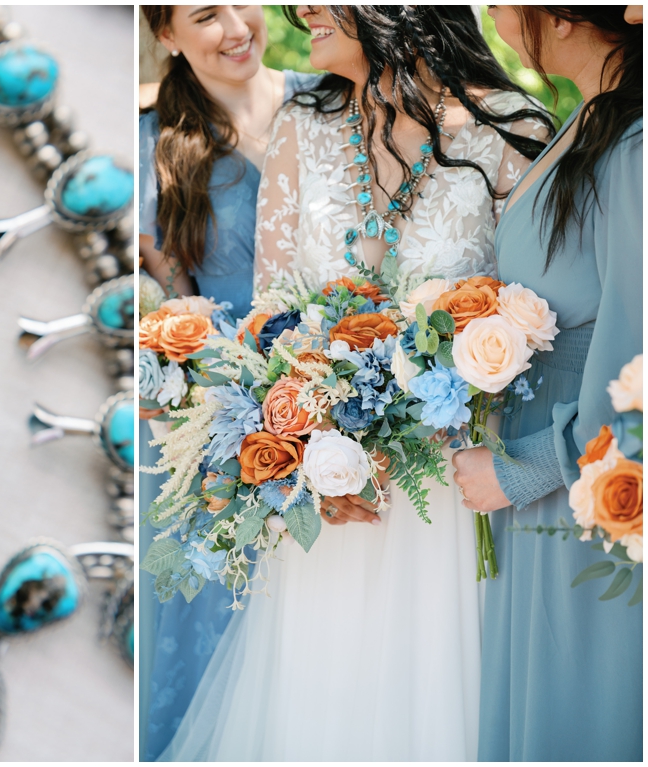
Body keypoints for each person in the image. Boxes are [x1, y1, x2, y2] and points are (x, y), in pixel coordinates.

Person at [159, 6, 554, 760]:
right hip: (330, 494)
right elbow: (269, 320)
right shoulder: (303, 123)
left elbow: (544, 316)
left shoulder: (512, 127)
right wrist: (300, 443)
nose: (299, 8)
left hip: (453, 489)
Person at [452, 6, 642, 761]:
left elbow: (640, 353)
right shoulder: (589, 118)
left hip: (582, 485)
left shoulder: (633, 146)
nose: (494, 15)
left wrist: (524, 467)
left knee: (581, 706)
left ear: (560, 16)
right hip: (538, 482)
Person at [137, 6, 321, 760]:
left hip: (349, 397)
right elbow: (164, 297)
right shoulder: (154, 144)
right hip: (225, 425)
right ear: (166, 34)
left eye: (242, 0)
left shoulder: (330, 99)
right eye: (205, 14)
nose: (238, 25)